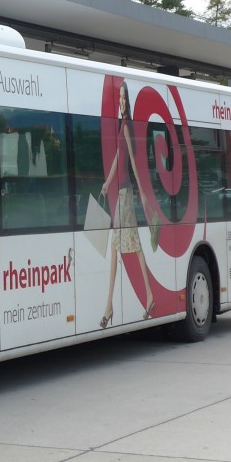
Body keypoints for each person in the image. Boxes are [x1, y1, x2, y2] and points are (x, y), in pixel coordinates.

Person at [99, 82, 154, 328]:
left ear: (128, 101)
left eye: (123, 98)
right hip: (121, 192)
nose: (121, 102)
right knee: (127, 246)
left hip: (126, 195)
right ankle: (139, 299)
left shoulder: (126, 126)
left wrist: (142, 194)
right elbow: (116, 161)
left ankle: (111, 305)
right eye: (119, 98)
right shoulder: (121, 125)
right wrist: (106, 183)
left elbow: (131, 161)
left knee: (122, 246)